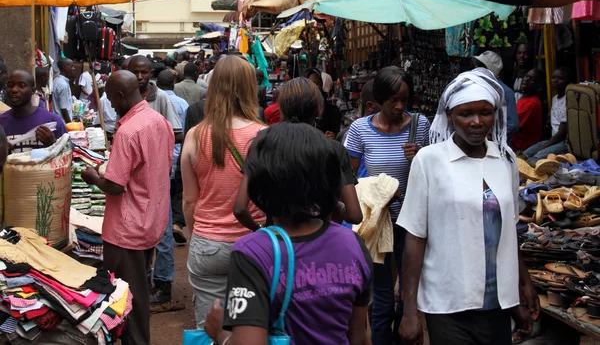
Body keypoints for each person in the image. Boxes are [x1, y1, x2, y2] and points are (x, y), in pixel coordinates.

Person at [398, 68, 540, 345]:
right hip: (448, 302)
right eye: (466, 114)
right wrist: (409, 310)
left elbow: (508, 228)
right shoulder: (429, 161)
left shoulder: (506, 159)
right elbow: (415, 237)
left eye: (485, 113)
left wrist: (523, 283)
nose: (476, 122)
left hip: (497, 302)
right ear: (450, 116)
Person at [204, 123, 373, 345]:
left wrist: (220, 334)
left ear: (260, 183)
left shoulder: (251, 252)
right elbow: (360, 338)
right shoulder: (352, 244)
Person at [81, 71, 174, 345]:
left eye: (110, 99)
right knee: (137, 291)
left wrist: (93, 177)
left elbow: (114, 186)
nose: (109, 104)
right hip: (150, 221)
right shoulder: (159, 121)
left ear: (121, 96)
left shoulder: (128, 131)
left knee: (127, 299)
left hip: (127, 230)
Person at [344, 66, 430, 345]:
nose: (399, 106)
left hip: (412, 221)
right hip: (378, 222)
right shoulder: (360, 129)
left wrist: (422, 157)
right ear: (379, 100)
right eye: (393, 100)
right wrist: (378, 192)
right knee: (381, 297)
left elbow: (433, 176)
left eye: (405, 99)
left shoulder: (420, 126)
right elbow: (349, 177)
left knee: (409, 294)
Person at [181, 55, 264, 328]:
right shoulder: (264, 135)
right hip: (255, 242)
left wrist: (196, 235)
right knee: (251, 327)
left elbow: (190, 201)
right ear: (250, 87)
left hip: (208, 244)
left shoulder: (195, 135)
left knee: (210, 328)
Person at [234, 77, 362, 230]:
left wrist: (260, 229)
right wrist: (335, 206)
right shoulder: (333, 149)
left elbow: (240, 208)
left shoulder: (262, 143)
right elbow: (354, 215)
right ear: (319, 109)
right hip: (319, 242)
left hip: (277, 242)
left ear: (280, 107)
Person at [128, 55, 182, 306]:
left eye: (143, 72)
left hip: (159, 176)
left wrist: (151, 138)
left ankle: (163, 283)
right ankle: (143, 279)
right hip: (132, 176)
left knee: (161, 232)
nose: (139, 77)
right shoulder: (123, 96)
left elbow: (178, 131)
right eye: (135, 72)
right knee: (138, 230)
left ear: (150, 73)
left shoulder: (159, 98)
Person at [157, 70, 190, 248]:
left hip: (160, 158)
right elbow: (183, 130)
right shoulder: (182, 103)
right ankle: (175, 224)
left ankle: (165, 227)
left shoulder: (151, 100)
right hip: (177, 154)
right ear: (173, 83)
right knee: (176, 192)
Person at [0, 70, 67, 154]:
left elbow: (69, 155)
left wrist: (53, 144)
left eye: (21, 86)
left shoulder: (52, 121)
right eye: (10, 85)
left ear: (33, 90)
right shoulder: (1, 122)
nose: (14, 90)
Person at [524, 67, 569, 163]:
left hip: (563, 142)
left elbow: (561, 134)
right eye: (553, 77)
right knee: (524, 154)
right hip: (553, 139)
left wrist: (541, 148)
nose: (555, 80)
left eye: (560, 78)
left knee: (536, 158)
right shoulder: (554, 99)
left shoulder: (568, 100)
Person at [473, 51, 519, 136]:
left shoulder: (505, 92)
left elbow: (512, 124)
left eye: (482, 66)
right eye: (478, 65)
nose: (478, 68)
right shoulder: (473, 87)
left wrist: (493, 135)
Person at [512, 69, 543, 153]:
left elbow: (513, 126)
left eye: (531, 79)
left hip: (521, 147)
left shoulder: (531, 103)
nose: (526, 80)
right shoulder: (525, 98)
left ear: (537, 84)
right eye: (526, 76)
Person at [304, 68, 341, 138]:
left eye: (316, 83)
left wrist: (333, 136)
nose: (313, 87)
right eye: (310, 84)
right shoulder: (301, 110)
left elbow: (337, 133)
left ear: (321, 84)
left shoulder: (333, 110)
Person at [52, 58, 76, 124]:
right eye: (71, 66)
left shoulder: (57, 80)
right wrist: (70, 124)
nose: (73, 68)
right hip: (63, 122)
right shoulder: (63, 85)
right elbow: (64, 109)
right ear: (65, 67)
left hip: (58, 119)